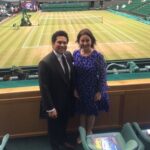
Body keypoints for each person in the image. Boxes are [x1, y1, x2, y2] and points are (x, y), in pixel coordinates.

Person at [38, 30, 74, 150]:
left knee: (64, 124)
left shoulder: (68, 55)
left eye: (65, 42)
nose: (62, 45)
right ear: (53, 43)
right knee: (53, 128)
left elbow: (70, 77)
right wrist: (50, 108)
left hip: (66, 101)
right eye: (59, 42)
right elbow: (44, 87)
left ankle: (63, 141)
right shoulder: (45, 62)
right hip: (54, 104)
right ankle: (55, 146)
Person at [73, 28, 109, 143]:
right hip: (79, 89)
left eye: (87, 40)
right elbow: (73, 73)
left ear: (91, 40)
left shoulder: (98, 56)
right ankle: (82, 134)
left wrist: (99, 91)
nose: (84, 43)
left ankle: (89, 132)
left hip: (92, 89)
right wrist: (74, 88)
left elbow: (103, 75)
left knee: (91, 112)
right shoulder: (76, 54)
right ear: (78, 41)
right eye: (82, 40)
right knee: (82, 112)